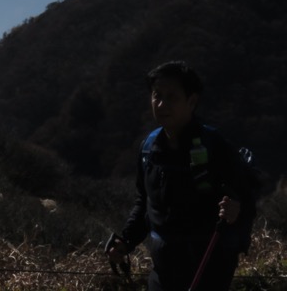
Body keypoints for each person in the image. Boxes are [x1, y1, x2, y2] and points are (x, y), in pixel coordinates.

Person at [107, 61, 255, 290]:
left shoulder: (215, 146)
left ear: (192, 101)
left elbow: (246, 199)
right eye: (157, 96)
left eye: (172, 97)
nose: (162, 104)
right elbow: (145, 202)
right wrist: (126, 241)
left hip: (210, 267)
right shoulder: (148, 148)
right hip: (163, 269)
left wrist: (236, 211)